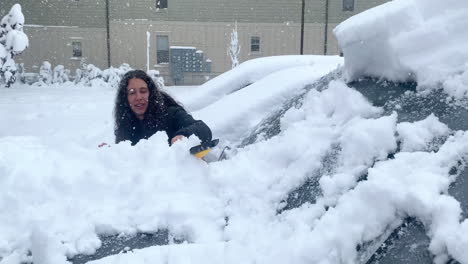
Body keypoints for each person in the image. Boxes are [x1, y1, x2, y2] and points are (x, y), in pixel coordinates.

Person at [113, 69, 212, 146]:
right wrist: (111, 153)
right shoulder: (125, 124)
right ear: (125, 98)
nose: (138, 97)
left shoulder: (171, 114)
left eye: (143, 91)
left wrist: (183, 135)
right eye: (132, 93)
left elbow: (203, 129)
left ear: (150, 94)